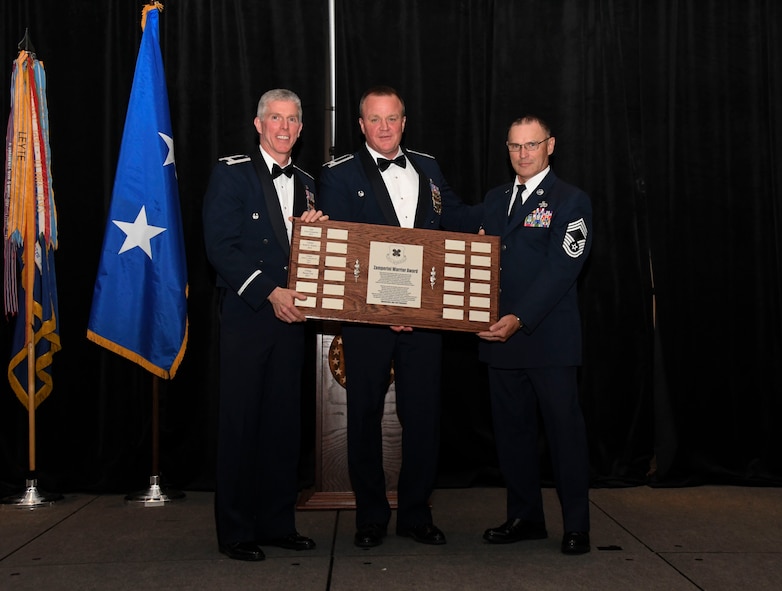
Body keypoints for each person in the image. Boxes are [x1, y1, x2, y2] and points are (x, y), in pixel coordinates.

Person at [316, 85, 477, 548]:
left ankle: (415, 513)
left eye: (392, 118)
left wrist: (504, 211)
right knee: (363, 414)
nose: (384, 127)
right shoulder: (338, 174)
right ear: (361, 125)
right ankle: (370, 516)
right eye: (375, 119)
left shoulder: (428, 167)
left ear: (404, 123)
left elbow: (457, 217)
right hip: (367, 320)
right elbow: (345, 248)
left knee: (423, 415)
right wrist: (386, 308)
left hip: (424, 319)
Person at [203, 89, 326, 562]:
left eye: (292, 120)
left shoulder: (309, 182)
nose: (284, 127)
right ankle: (236, 530)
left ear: (301, 128)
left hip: (292, 318)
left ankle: (278, 522)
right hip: (249, 314)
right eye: (275, 118)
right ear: (259, 124)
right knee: (241, 423)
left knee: (282, 423)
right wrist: (270, 293)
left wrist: (317, 236)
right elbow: (220, 246)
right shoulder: (231, 173)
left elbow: (305, 254)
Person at [477, 115, 593, 555]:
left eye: (531, 144)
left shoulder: (571, 200)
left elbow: (563, 269)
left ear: (550, 145)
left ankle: (577, 525)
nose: (523, 154)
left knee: (565, 437)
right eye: (515, 146)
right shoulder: (494, 200)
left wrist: (520, 317)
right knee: (512, 435)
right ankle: (525, 517)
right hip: (499, 339)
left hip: (549, 341)